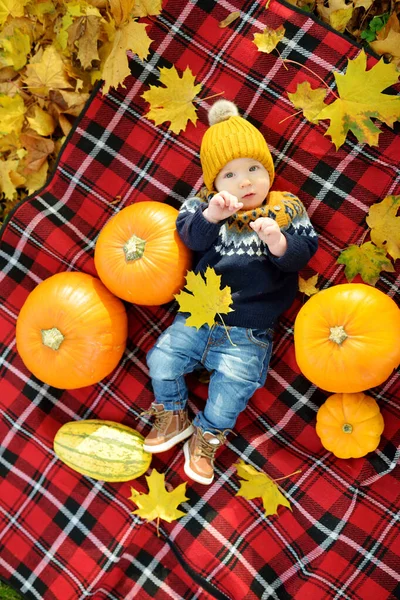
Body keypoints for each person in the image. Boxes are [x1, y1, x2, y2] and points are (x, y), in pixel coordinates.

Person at [141, 99, 318, 485]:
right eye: (230, 175)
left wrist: (278, 242)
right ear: (214, 184)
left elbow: (303, 255)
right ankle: (172, 414)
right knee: (162, 360)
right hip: (198, 315)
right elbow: (187, 236)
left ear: (268, 171)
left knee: (232, 390)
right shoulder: (205, 206)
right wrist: (211, 216)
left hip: (249, 331)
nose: (245, 182)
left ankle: (207, 436)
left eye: (254, 169)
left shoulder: (286, 207)